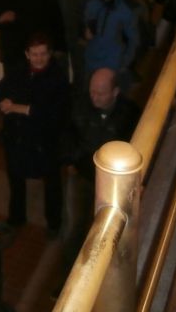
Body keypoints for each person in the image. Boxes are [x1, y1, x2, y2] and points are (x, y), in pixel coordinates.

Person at [59, 68, 141, 285]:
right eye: (92, 91)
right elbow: (68, 135)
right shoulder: (80, 105)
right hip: (82, 176)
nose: (94, 97)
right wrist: (72, 160)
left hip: (112, 186)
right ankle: (68, 281)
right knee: (73, 228)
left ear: (115, 92)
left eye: (100, 93)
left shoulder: (130, 114)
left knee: (109, 232)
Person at [0, 34, 70, 236]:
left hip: (45, 138)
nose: (39, 58)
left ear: (49, 54)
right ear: (27, 54)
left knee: (52, 182)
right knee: (16, 178)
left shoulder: (58, 77)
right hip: (18, 135)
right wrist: (3, 101)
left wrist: (16, 107)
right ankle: (16, 217)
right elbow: (1, 89)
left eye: (43, 54)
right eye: (35, 54)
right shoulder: (18, 71)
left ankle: (54, 223)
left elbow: (51, 111)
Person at [82, 0, 142, 89]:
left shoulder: (128, 7)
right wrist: (84, 33)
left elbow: (134, 41)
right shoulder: (91, 3)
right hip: (92, 64)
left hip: (114, 67)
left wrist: (123, 65)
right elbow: (84, 27)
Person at [47, 0, 97, 87]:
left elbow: (95, 7)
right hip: (57, 37)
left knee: (82, 73)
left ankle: (81, 99)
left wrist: (90, 29)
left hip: (80, 35)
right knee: (59, 74)